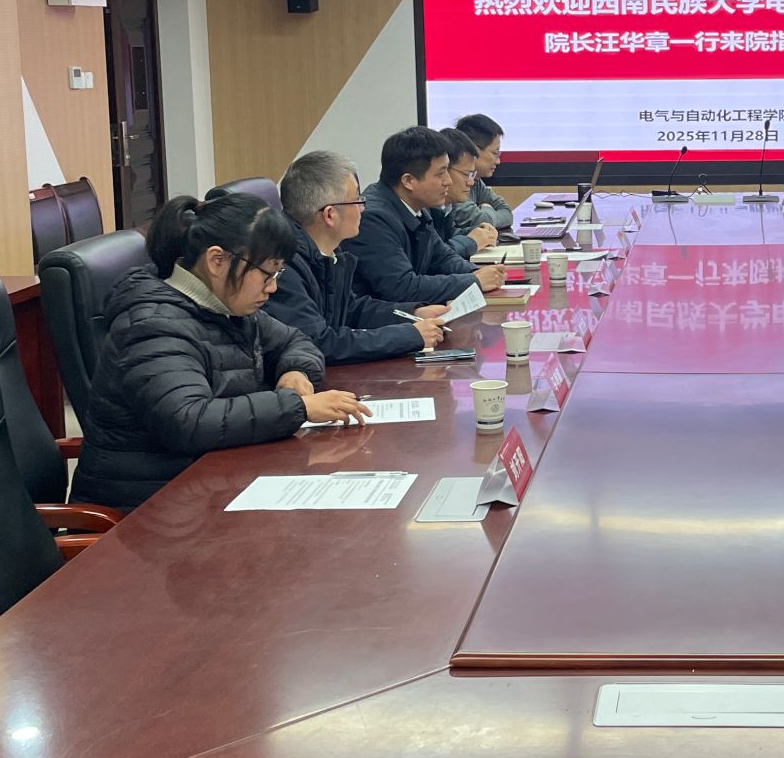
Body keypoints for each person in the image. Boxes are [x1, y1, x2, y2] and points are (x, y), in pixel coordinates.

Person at [72, 191, 367, 511]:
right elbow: (189, 421)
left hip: (210, 487)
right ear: (217, 260)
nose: (273, 287)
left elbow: (295, 341)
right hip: (149, 510)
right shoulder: (153, 325)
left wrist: (295, 371)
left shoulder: (225, 305)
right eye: (267, 273)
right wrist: (298, 407)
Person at [268, 151, 450, 364]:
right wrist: (410, 336)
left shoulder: (329, 253)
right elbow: (318, 342)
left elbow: (352, 309)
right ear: (329, 215)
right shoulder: (283, 267)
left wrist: (414, 313)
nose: (363, 208)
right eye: (356, 200)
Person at [345, 127, 506, 306]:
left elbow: (441, 257)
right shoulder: (373, 219)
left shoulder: (417, 206)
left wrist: (478, 273)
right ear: (408, 181)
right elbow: (402, 288)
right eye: (440, 173)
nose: (448, 181)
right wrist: (473, 281)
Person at [435, 128, 500, 259]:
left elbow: (449, 235)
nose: (470, 182)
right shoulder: (425, 208)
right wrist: (471, 241)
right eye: (466, 174)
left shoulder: (446, 207)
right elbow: (435, 257)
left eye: (472, 175)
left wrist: (477, 232)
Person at [455, 113, 515, 230]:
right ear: (474, 149)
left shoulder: (476, 181)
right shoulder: (453, 183)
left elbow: (506, 212)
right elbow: (481, 220)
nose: (498, 161)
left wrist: (486, 215)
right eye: (495, 153)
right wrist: (487, 208)